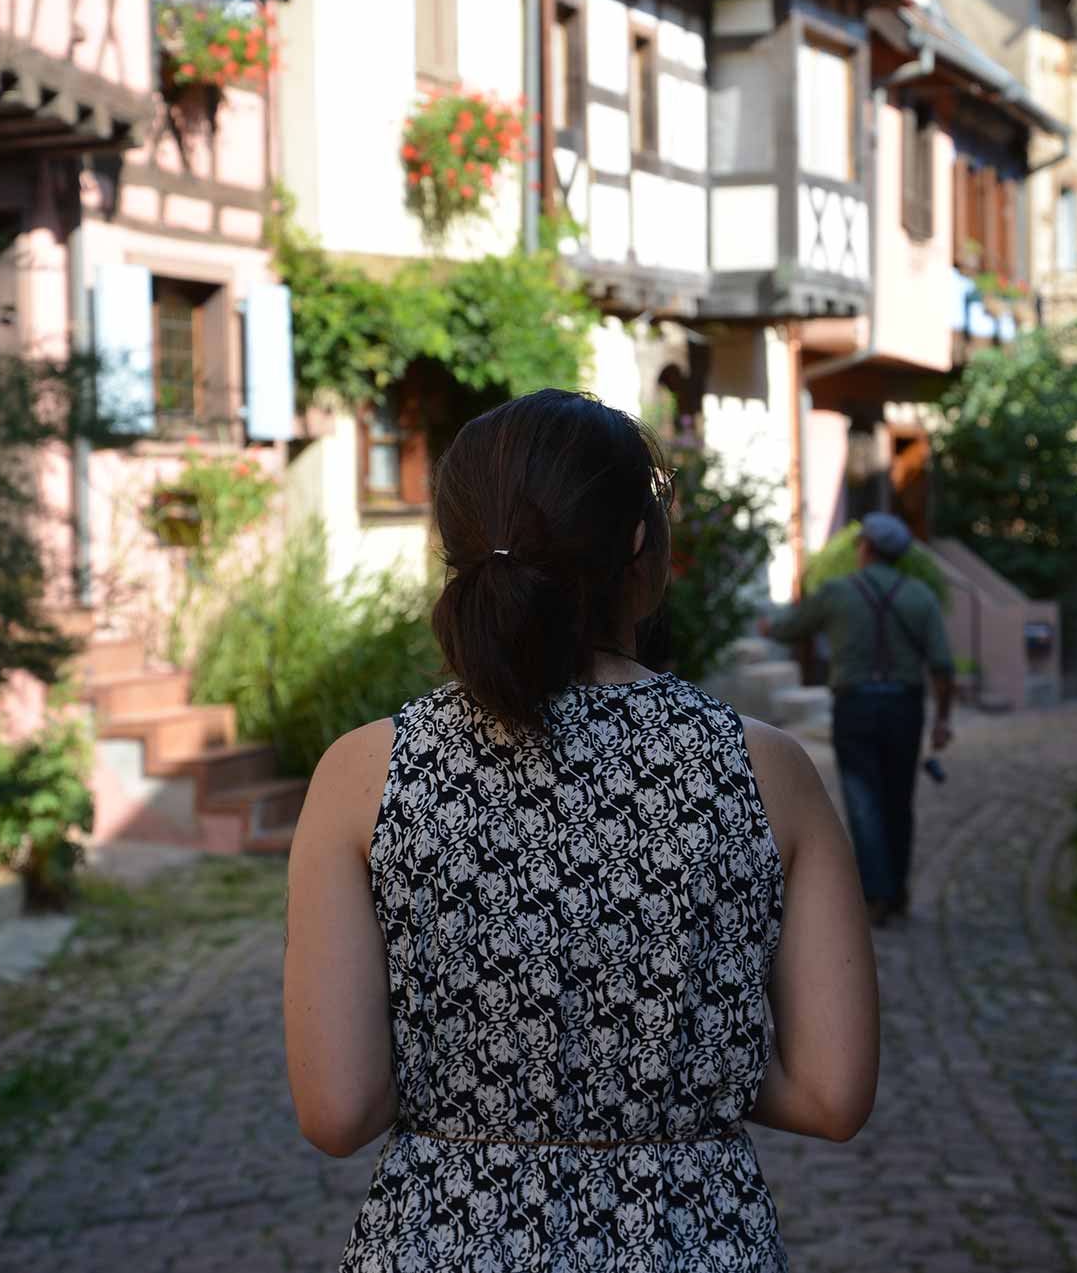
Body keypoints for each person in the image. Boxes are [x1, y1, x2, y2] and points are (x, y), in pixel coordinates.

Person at [282, 390, 879, 1272]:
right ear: (639, 541)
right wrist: (663, 1061)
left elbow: (337, 1110)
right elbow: (833, 1095)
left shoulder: (362, 776)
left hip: (442, 1242)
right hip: (693, 1241)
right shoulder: (764, 768)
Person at [762, 512, 954, 928]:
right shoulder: (920, 596)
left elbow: (792, 628)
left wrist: (769, 627)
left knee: (863, 800)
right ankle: (898, 889)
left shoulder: (837, 592)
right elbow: (942, 665)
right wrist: (943, 719)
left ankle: (876, 894)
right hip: (905, 706)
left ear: (866, 548)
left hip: (856, 706)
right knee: (899, 798)